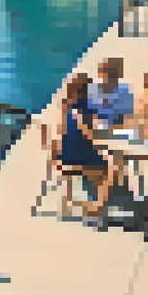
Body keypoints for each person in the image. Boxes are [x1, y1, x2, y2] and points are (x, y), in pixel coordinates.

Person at [49, 73, 112, 223]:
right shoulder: (84, 107)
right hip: (77, 157)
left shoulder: (66, 106)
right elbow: (89, 135)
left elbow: (60, 131)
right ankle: (96, 209)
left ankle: (89, 203)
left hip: (62, 155)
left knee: (98, 163)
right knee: (110, 169)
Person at [88, 57, 135, 128]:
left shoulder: (125, 91)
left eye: (114, 72)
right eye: (108, 71)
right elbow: (89, 116)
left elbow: (128, 119)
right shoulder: (92, 90)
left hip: (119, 131)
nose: (110, 76)